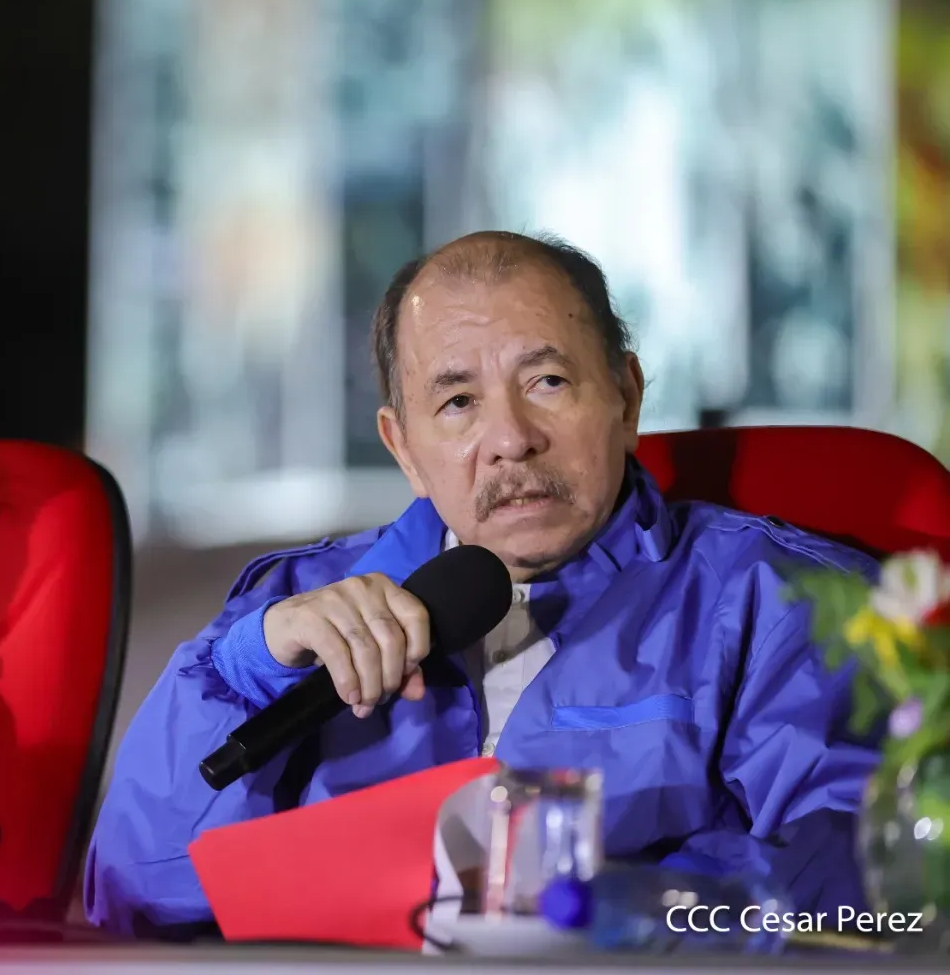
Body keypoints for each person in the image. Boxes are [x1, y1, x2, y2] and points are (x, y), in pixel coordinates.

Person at [85, 232, 878, 936]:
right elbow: (129, 896)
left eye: (548, 384)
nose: (510, 440)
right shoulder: (301, 608)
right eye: (458, 402)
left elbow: (868, 880)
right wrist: (244, 670)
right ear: (403, 447)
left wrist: (599, 910)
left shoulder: (778, 601)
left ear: (627, 398)